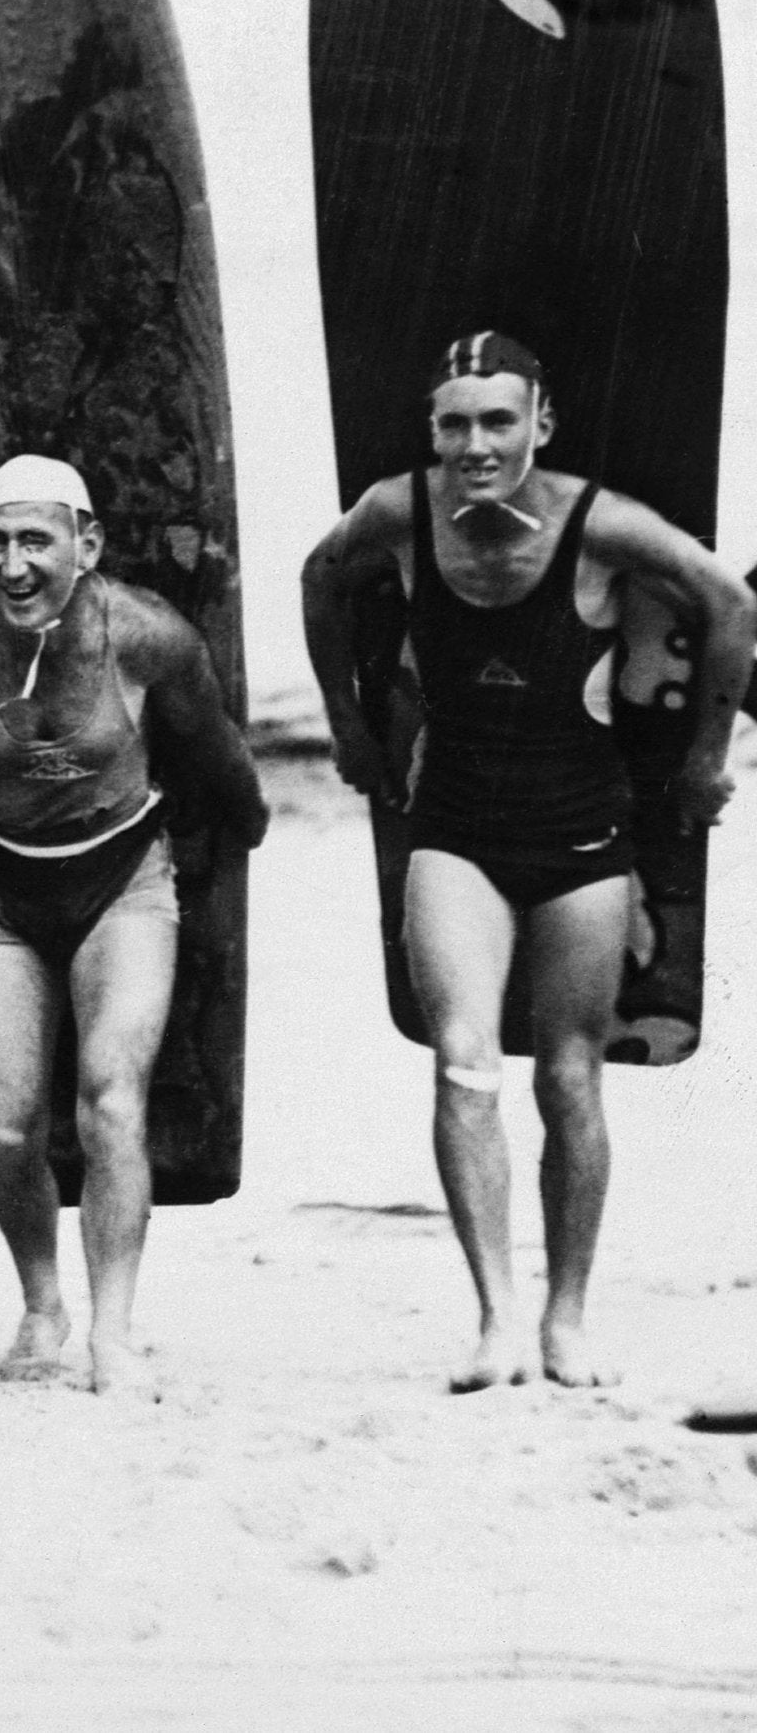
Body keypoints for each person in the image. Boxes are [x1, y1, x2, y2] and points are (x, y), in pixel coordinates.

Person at [301, 333, 750, 1393]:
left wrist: (705, 762)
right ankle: (497, 1316)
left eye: (498, 421)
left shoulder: (596, 523)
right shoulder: (400, 513)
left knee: (569, 1076)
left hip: (585, 838)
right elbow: (321, 578)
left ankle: (567, 1319)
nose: (475, 445)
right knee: (462, 1063)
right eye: (454, 423)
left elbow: (730, 604)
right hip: (454, 830)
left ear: (538, 423)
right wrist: (348, 726)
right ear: (433, 432)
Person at [0, 454, 266, 1398]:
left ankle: (113, 1330)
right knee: (5, 1129)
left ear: (87, 545)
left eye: (35, 540)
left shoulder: (146, 637)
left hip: (124, 880)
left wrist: (233, 852)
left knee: (112, 1094)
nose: (12, 565)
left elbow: (222, 761)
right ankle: (43, 1304)